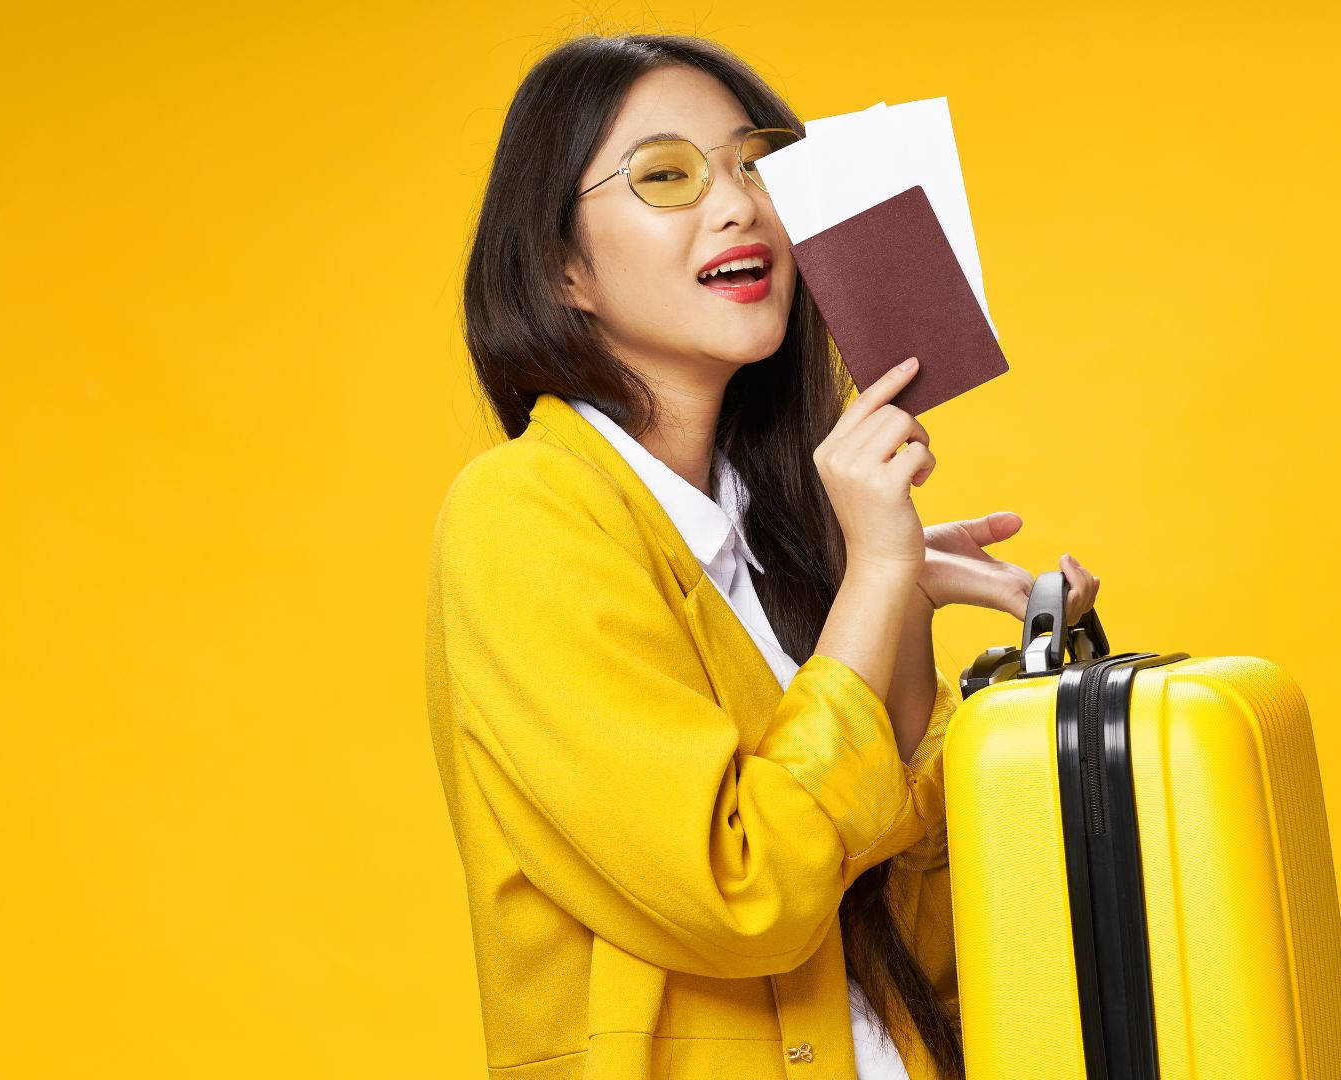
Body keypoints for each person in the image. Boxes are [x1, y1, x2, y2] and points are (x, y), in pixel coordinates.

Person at [426, 32, 1100, 1080]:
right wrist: (874, 581)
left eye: (758, 164)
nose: (738, 204)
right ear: (563, 267)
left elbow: (917, 933)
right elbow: (748, 894)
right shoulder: (521, 516)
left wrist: (896, 615)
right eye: (666, 176)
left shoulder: (793, 532)